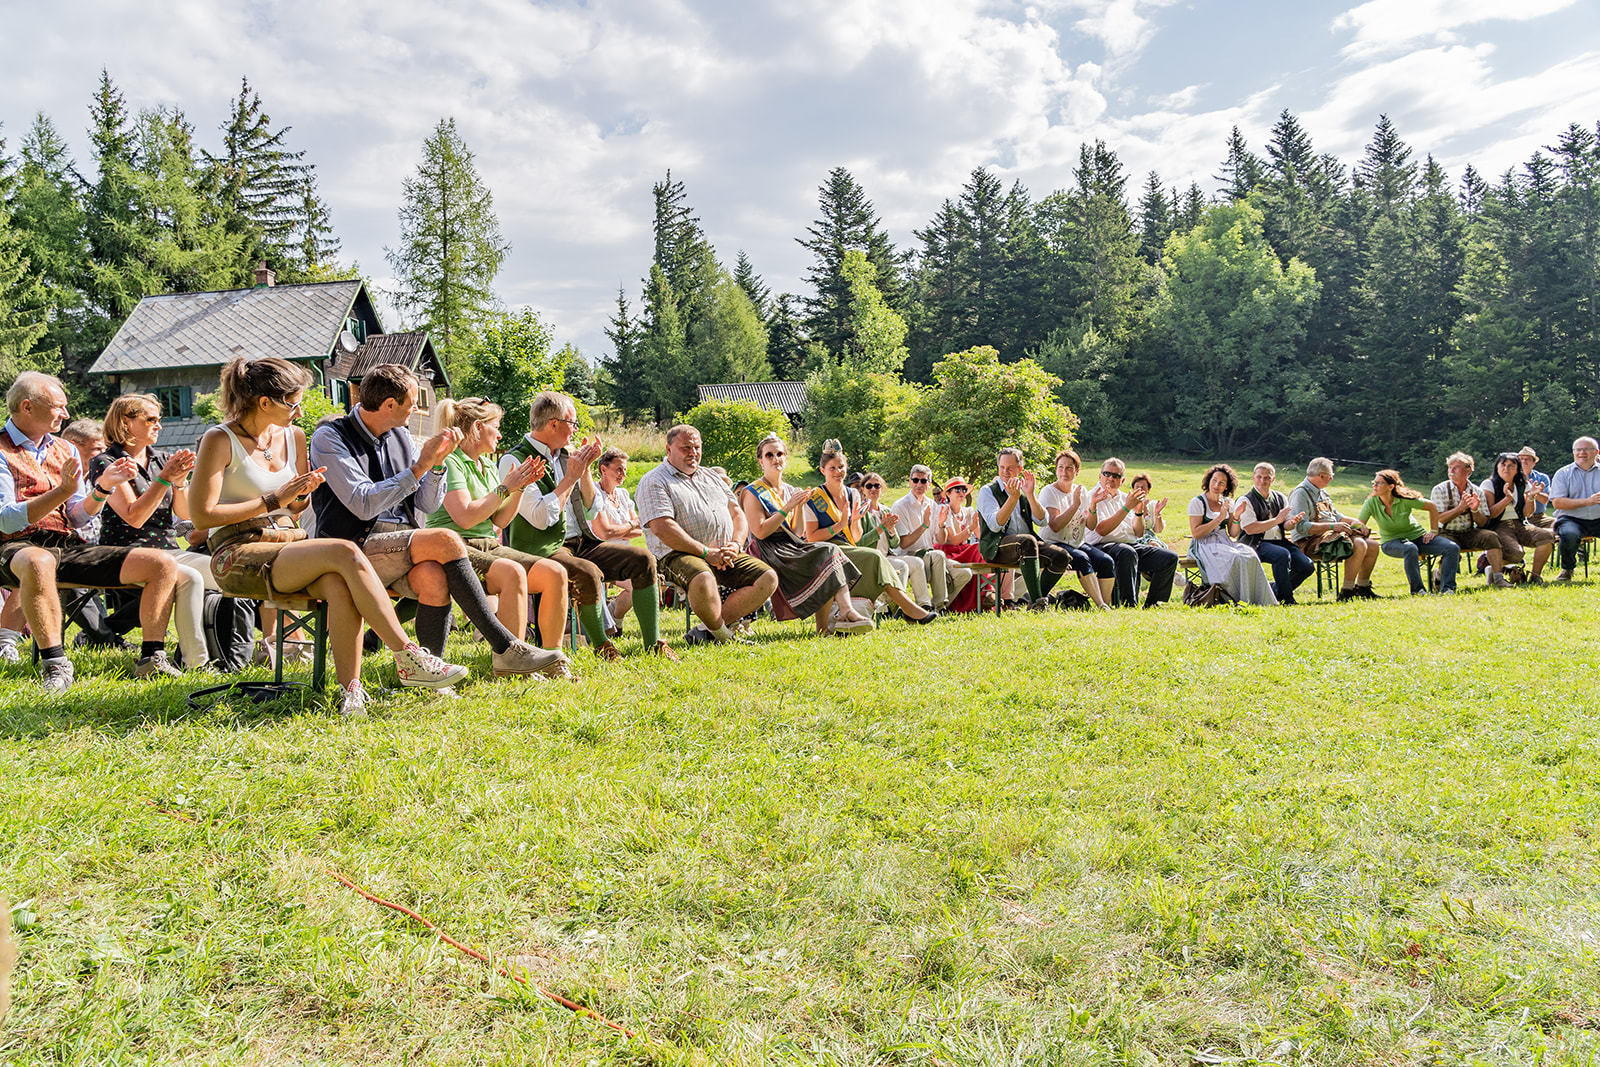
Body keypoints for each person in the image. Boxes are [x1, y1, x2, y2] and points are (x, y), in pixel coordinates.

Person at [192, 357, 469, 712]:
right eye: (293, 402)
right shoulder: (220, 438)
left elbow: (293, 510)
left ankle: (350, 691)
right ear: (264, 403)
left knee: (341, 585)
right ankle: (408, 656)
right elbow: (202, 515)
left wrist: (300, 496)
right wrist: (274, 499)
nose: (299, 409)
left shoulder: (294, 436)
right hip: (236, 552)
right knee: (344, 552)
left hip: (290, 544)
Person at [310, 365, 564, 679]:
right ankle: (507, 648)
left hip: (402, 543)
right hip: (352, 547)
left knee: (433, 577)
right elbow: (362, 504)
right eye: (412, 402)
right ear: (389, 405)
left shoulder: (400, 437)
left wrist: (437, 466)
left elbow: (426, 504)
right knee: (444, 539)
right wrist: (419, 468)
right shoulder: (330, 437)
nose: (416, 409)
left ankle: (431, 674)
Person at [0, 372, 182, 690]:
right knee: (38, 561)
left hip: (66, 544)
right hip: (14, 546)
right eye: (58, 406)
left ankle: (152, 659)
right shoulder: (2, 449)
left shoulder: (65, 449)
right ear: (27, 407)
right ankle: (56, 666)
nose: (66, 414)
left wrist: (101, 489)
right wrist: (61, 492)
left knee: (162, 563)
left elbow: (76, 517)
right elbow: (5, 520)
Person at [499, 391, 675, 661]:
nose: (576, 430)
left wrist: (585, 471)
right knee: (588, 572)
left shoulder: (567, 455)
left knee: (643, 559)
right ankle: (603, 646)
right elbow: (540, 518)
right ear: (553, 424)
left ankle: (653, 644)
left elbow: (593, 509)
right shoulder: (514, 460)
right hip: (542, 550)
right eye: (573, 423)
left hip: (581, 541)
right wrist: (570, 477)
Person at [422, 396, 574, 658]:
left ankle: (551, 656)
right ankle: (511, 658)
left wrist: (519, 487)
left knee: (555, 573)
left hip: (488, 545)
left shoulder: (488, 464)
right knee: (512, 572)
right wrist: (506, 487)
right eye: (496, 426)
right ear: (478, 428)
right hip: (454, 547)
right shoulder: (451, 462)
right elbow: (465, 518)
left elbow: (500, 521)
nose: (501, 435)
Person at [93, 393, 216, 669]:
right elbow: (134, 516)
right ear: (126, 422)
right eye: (151, 419)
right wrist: (164, 479)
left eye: (158, 420)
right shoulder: (107, 462)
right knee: (192, 579)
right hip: (128, 552)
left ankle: (234, 649)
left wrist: (181, 483)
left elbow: (184, 514)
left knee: (227, 571)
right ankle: (196, 662)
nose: (159, 425)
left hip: (168, 549)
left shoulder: (162, 458)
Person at [636, 423, 778, 645]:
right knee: (702, 577)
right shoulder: (654, 480)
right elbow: (662, 527)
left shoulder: (711, 477)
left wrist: (735, 545)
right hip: (676, 554)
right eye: (686, 448)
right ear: (668, 449)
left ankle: (705, 630)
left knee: (767, 577)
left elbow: (737, 514)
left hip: (724, 551)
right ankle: (724, 637)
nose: (693, 453)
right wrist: (705, 552)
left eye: (697, 447)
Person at [739, 433, 868, 634]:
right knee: (825, 552)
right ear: (761, 461)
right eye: (769, 455)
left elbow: (797, 532)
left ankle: (842, 613)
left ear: (786, 458)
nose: (775, 459)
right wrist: (787, 507)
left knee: (829, 551)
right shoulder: (752, 491)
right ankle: (841, 615)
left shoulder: (790, 490)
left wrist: (798, 507)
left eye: (779, 454)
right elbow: (760, 532)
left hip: (790, 546)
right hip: (767, 550)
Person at [804, 441, 937, 623]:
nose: (837, 472)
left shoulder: (853, 495)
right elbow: (811, 537)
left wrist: (855, 521)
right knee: (874, 557)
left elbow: (856, 536)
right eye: (832, 468)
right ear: (822, 470)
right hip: (824, 549)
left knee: (876, 558)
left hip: (847, 547)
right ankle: (908, 609)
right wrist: (840, 524)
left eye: (841, 467)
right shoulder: (815, 497)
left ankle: (905, 609)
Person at [974, 447, 1078, 609]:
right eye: (1002, 467)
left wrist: (1030, 494)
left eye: (1010, 468)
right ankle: (1039, 603)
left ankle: (1036, 599)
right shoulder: (988, 491)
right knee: (1027, 541)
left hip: (1025, 546)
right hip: (996, 547)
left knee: (1062, 556)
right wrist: (1012, 499)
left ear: (1019, 469)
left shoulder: (1024, 490)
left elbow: (1042, 520)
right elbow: (995, 526)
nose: (1005, 472)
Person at [1083, 457, 1178, 608]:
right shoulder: (1091, 496)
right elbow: (1101, 530)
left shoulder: (1125, 497)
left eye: (1116, 476)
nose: (1110, 478)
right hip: (1101, 546)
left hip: (1130, 545)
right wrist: (1127, 508)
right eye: (1107, 474)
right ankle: (1128, 604)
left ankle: (1152, 603)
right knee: (1126, 552)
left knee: (1169, 558)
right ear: (1099, 475)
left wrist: (1138, 513)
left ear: (1122, 480)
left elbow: (1139, 533)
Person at [1285, 458, 1382, 600]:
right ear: (1321, 476)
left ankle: (1363, 588)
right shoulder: (1301, 493)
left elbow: (1336, 516)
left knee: (1373, 545)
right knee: (1359, 544)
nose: (1332, 479)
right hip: (1309, 542)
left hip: (1331, 536)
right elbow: (1301, 528)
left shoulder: (1322, 492)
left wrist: (1356, 523)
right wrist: (1332, 526)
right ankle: (1346, 591)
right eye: (1331, 476)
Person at [1187, 464, 1277, 606]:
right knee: (1234, 557)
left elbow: (1233, 533)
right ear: (1208, 480)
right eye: (1214, 480)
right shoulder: (1198, 502)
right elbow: (1196, 533)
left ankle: (1257, 599)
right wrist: (1218, 518)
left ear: (1226, 487)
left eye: (1221, 483)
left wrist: (1236, 517)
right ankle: (1233, 597)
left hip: (1224, 541)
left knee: (1249, 554)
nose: (1216, 485)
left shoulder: (1228, 502)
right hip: (1204, 544)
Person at [1359, 469, 1459, 594]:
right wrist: (1361, 527)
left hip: (1418, 538)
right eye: (1374, 482)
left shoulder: (1404, 499)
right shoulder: (1370, 503)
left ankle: (1448, 589)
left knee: (1452, 548)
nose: (1374, 485)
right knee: (1410, 548)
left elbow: (1432, 506)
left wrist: (1434, 531)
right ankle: (1418, 591)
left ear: (1391, 486)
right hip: (1391, 542)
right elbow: (1359, 523)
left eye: (1379, 483)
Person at [1038, 450, 1113, 609]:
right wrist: (1075, 505)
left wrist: (1093, 505)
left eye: (1069, 468)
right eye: (1060, 467)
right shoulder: (1048, 492)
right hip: (1053, 542)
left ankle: (1106, 604)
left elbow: (1091, 525)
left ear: (1077, 471)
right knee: (1081, 558)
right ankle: (1100, 605)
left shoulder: (1081, 491)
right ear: (1056, 469)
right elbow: (1055, 525)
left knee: (1106, 561)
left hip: (1076, 542)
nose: (1064, 472)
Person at [889, 464, 969, 611]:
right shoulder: (900, 506)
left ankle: (935, 605)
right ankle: (938, 607)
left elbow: (940, 540)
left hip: (930, 555)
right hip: (909, 556)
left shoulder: (932, 505)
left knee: (965, 573)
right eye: (915, 480)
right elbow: (904, 544)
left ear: (929, 484)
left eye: (923, 481)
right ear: (909, 482)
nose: (919, 484)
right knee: (937, 555)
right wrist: (924, 525)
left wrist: (941, 524)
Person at [1430, 452, 1508, 588]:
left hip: (1468, 531)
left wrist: (1475, 510)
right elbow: (1439, 519)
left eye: (1455, 468)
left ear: (1468, 470)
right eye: (1450, 468)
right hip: (1446, 532)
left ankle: (1498, 578)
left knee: (1491, 537)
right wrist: (1460, 509)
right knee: (1452, 548)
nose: (1451, 471)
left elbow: (1483, 523)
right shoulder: (1440, 489)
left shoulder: (1477, 491)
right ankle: (1443, 581)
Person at [1237, 463, 1311, 604]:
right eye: (1259, 477)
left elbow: (1286, 525)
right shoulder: (1245, 500)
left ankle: (1274, 591)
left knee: (1306, 565)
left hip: (1279, 541)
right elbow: (1250, 528)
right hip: (1255, 543)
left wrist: (1292, 522)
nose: (1262, 481)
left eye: (1267, 477)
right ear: (1253, 477)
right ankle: (1286, 599)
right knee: (1281, 555)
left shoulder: (1280, 497)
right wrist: (1277, 520)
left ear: (1273, 479)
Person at [858, 471, 930, 612]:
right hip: (871, 558)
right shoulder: (860, 512)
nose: (873, 489)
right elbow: (859, 542)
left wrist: (891, 530)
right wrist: (881, 528)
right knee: (901, 566)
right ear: (863, 490)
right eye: (869, 486)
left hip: (887, 555)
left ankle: (924, 605)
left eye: (877, 486)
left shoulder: (885, 510)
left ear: (882, 489)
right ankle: (897, 607)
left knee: (917, 562)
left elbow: (895, 543)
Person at [1480, 451, 1556, 583]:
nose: (1506, 469)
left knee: (1547, 537)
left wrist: (1531, 498)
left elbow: (1528, 514)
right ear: (1497, 467)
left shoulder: (1523, 484)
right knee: (1516, 554)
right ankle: (1492, 567)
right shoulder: (1489, 484)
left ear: (1517, 469)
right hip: (1499, 525)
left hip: (1520, 523)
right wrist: (1506, 499)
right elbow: (1491, 514)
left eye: (1511, 466)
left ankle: (1534, 576)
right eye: (1503, 465)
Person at [590, 447, 641, 629]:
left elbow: (639, 529)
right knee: (637, 586)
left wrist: (619, 529)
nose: (623, 474)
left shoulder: (623, 494)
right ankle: (612, 622)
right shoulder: (595, 493)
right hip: (601, 554)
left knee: (643, 584)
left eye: (625, 470)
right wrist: (629, 526)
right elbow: (604, 533)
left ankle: (615, 619)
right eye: (618, 469)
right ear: (604, 469)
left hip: (625, 553)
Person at [1547, 436, 1600, 581]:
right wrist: (1588, 501)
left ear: (1596, 452)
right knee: (1569, 534)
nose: (1582, 453)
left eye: (1587, 449)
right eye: (1578, 450)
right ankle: (1568, 569)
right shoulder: (1563, 473)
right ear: (1573, 452)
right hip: (1572, 519)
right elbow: (1557, 503)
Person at [931, 477, 987, 612]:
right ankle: (986, 592)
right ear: (948, 494)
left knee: (980, 548)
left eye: (964, 489)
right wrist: (971, 528)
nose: (962, 492)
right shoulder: (944, 511)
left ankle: (985, 594)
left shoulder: (968, 511)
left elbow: (979, 536)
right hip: (948, 551)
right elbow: (954, 540)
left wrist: (978, 525)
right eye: (957, 490)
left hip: (963, 550)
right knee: (976, 549)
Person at [1517, 446, 1554, 528]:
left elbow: (1545, 500)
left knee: (1560, 524)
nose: (1523, 461)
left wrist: (1534, 493)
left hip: (1539, 517)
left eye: (1527, 459)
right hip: (1518, 519)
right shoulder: (1511, 477)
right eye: (1521, 459)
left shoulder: (1542, 478)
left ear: (1534, 463)